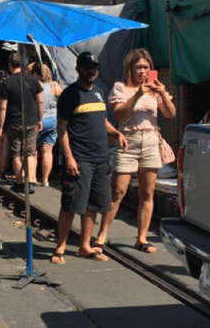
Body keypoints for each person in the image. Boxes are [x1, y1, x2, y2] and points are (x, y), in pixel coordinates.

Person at [93, 48, 175, 255]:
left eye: (146, 67)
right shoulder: (121, 87)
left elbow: (170, 114)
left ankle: (141, 238)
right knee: (118, 192)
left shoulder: (155, 90)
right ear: (130, 68)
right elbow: (119, 115)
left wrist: (163, 93)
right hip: (128, 141)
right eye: (139, 67)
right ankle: (101, 235)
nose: (143, 71)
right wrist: (137, 95)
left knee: (147, 193)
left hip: (150, 141)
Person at [50, 52, 127, 264]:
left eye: (95, 67)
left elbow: (103, 122)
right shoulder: (69, 95)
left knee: (93, 204)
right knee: (71, 204)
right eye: (87, 67)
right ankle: (60, 248)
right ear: (78, 69)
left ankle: (85, 245)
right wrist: (69, 158)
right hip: (79, 159)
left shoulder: (99, 93)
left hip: (101, 158)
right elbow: (62, 128)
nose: (91, 71)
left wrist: (117, 133)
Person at [0, 52, 43, 193]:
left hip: (14, 123)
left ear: (10, 66)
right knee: (30, 152)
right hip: (31, 121)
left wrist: (0, 126)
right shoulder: (33, 79)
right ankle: (29, 182)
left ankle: (19, 182)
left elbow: (2, 106)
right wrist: (39, 119)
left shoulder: (7, 82)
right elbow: (40, 101)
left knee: (16, 153)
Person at [32, 63, 62, 187]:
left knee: (32, 151)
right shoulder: (54, 85)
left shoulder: (34, 85)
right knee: (48, 151)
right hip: (53, 120)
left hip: (38, 121)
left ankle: (32, 178)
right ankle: (45, 180)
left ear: (36, 74)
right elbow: (64, 98)